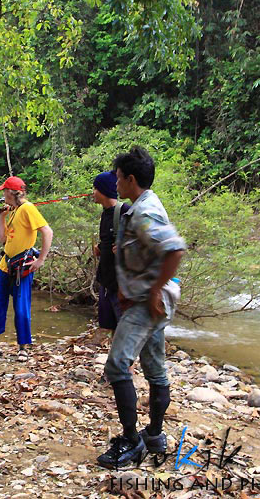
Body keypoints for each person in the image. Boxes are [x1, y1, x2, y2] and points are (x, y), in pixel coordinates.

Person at [97, 147, 186, 469]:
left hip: (148, 301)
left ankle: (131, 442)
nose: (115, 183)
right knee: (154, 366)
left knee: (117, 366)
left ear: (130, 179)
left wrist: (155, 289)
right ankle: (155, 435)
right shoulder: (140, 206)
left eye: (118, 178)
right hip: (148, 298)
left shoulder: (145, 212)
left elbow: (174, 249)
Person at [0, 176, 53, 362]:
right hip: (5, 264)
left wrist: (40, 260)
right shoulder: (14, 211)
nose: (2, 195)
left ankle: (23, 347)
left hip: (22, 266)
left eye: (4, 191)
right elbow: (3, 239)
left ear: (11, 192)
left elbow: (47, 231)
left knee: (21, 307)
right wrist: (1, 217)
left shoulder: (28, 209)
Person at [92, 171, 130, 334]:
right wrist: (101, 248)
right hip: (106, 281)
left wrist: (125, 248)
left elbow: (140, 243)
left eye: (95, 188)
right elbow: (110, 238)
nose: (92, 192)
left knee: (125, 329)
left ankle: (125, 359)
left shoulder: (125, 211)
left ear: (104, 190)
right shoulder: (105, 213)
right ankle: (114, 357)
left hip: (120, 285)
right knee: (111, 327)